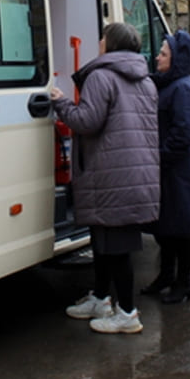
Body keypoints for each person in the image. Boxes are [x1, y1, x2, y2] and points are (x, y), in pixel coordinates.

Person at [51, 22, 160, 332]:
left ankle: (127, 314)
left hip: (112, 176)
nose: (98, 41)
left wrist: (60, 102)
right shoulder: (145, 80)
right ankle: (101, 298)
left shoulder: (101, 76)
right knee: (104, 242)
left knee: (116, 246)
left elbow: (86, 121)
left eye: (103, 37)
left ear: (111, 44)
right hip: (135, 173)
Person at [142, 30, 190, 304]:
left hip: (176, 169)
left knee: (180, 228)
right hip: (166, 166)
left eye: (164, 54)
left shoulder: (182, 88)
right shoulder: (168, 83)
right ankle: (166, 276)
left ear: (177, 59)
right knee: (164, 227)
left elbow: (182, 132)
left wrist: (159, 157)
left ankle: (184, 282)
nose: (157, 57)